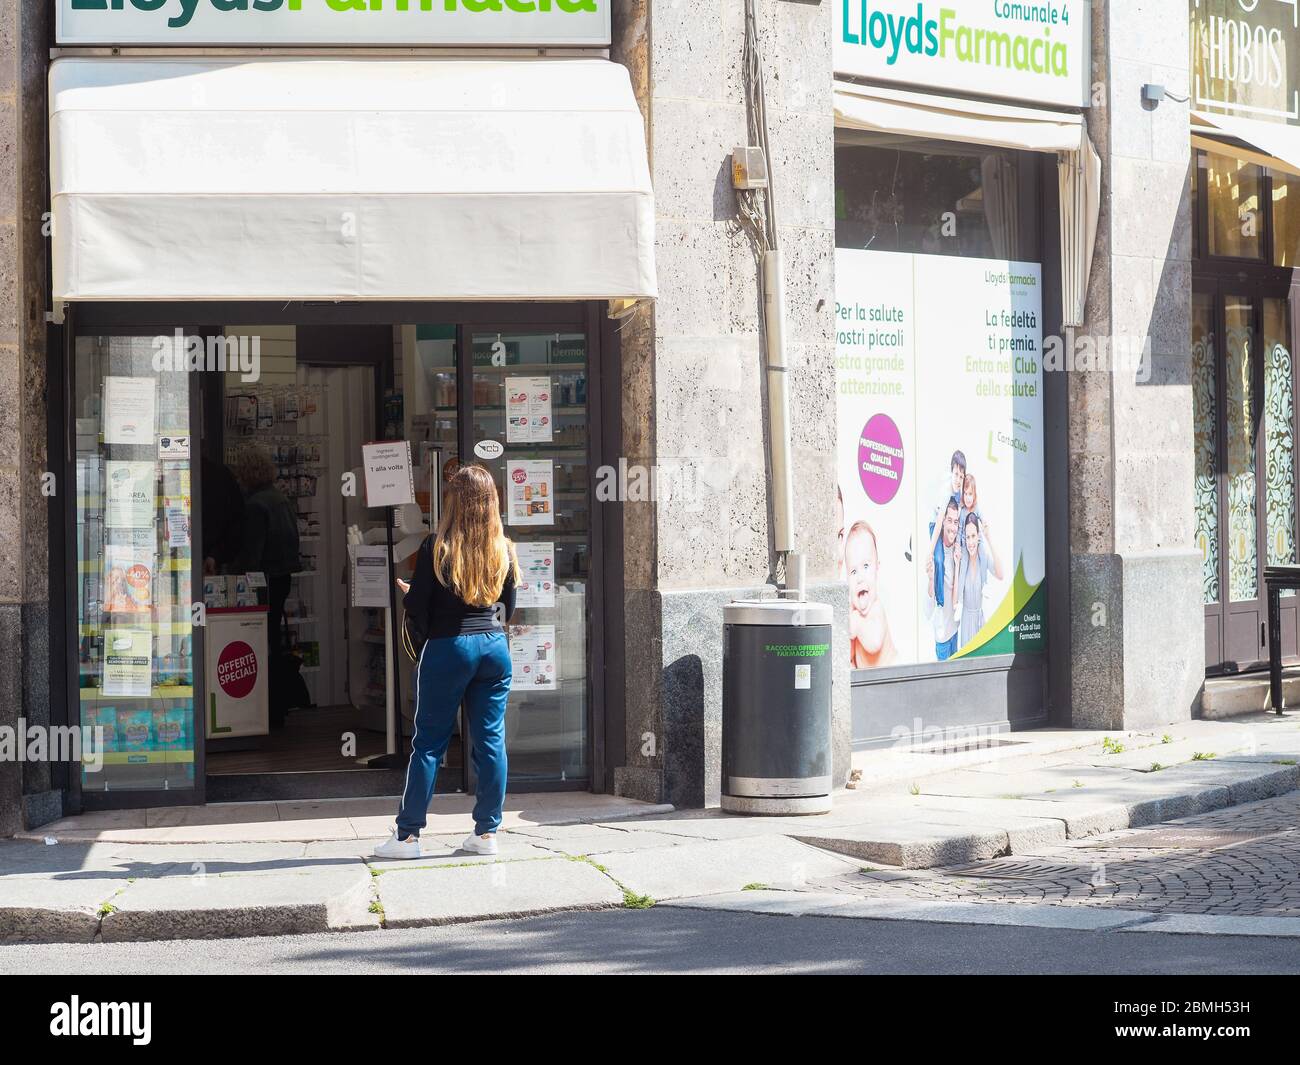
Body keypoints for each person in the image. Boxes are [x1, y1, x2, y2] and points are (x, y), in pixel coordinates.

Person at [374, 464, 519, 860]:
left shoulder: (436, 546)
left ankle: (407, 837)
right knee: (490, 740)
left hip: (449, 647)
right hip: (493, 647)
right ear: (491, 502)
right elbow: (508, 608)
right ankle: (487, 833)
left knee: (429, 744)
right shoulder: (503, 547)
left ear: (455, 501)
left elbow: (418, 606)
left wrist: (410, 591)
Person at [233, 446, 301, 727]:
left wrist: (236, 577)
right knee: (272, 638)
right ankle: (277, 705)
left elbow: (252, 554)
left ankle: (265, 708)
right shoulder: (281, 500)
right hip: (282, 576)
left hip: (264, 580)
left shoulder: (255, 505)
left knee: (258, 641)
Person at [845, 520, 897, 668]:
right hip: (868, 684)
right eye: (853, 571)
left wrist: (857, 624)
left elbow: (874, 642)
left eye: (866, 566)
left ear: (876, 569)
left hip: (890, 676)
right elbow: (847, 654)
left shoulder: (876, 609)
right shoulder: (854, 613)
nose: (860, 577)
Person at [954, 512, 1005, 651]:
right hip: (966, 620)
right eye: (968, 537)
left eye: (973, 536)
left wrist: (989, 539)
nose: (970, 542)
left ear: (978, 536)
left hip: (981, 620)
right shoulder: (962, 559)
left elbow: (1001, 575)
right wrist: (957, 563)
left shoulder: (984, 558)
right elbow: (955, 598)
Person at [926, 499, 962, 661]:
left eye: (956, 522)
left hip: (956, 630)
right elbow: (928, 608)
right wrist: (931, 579)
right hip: (942, 636)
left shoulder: (957, 551)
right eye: (949, 521)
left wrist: (958, 563)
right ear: (942, 523)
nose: (953, 527)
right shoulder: (935, 555)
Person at [200, 454, 244, 575]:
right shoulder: (222, 474)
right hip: (214, 557)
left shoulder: (175, 471)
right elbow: (236, 520)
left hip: (192, 554)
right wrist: (216, 555)